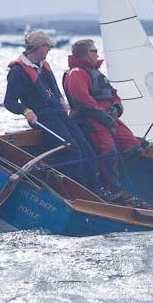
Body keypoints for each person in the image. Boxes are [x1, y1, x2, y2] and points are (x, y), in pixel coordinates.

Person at [3, 31, 102, 194]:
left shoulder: (44, 66)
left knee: (86, 149)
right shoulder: (17, 71)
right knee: (71, 150)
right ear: (38, 47)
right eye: (47, 45)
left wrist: (62, 100)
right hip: (43, 117)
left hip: (59, 113)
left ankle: (95, 190)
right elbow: (9, 102)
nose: (49, 48)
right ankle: (77, 193)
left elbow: (54, 89)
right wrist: (25, 111)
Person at [63, 39, 147, 198]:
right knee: (109, 153)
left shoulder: (96, 73)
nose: (97, 54)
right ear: (88, 53)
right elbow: (82, 101)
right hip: (92, 120)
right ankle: (112, 191)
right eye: (94, 51)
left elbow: (113, 94)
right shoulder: (76, 73)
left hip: (109, 118)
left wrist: (116, 108)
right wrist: (106, 118)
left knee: (134, 147)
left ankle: (114, 183)